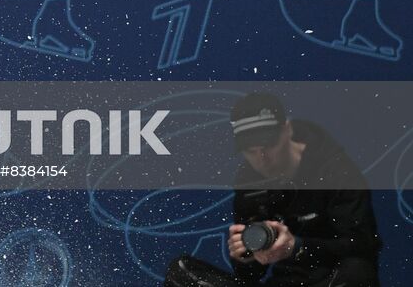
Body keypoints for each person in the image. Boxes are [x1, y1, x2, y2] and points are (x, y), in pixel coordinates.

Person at [163, 92, 381, 286]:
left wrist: (297, 247)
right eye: (251, 151)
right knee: (182, 273)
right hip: (285, 281)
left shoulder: (335, 170)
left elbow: (363, 246)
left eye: (268, 146)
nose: (262, 159)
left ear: (287, 130)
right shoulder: (249, 182)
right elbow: (249, 276)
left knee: (356, 272)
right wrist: (245, 256)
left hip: (332, 278)